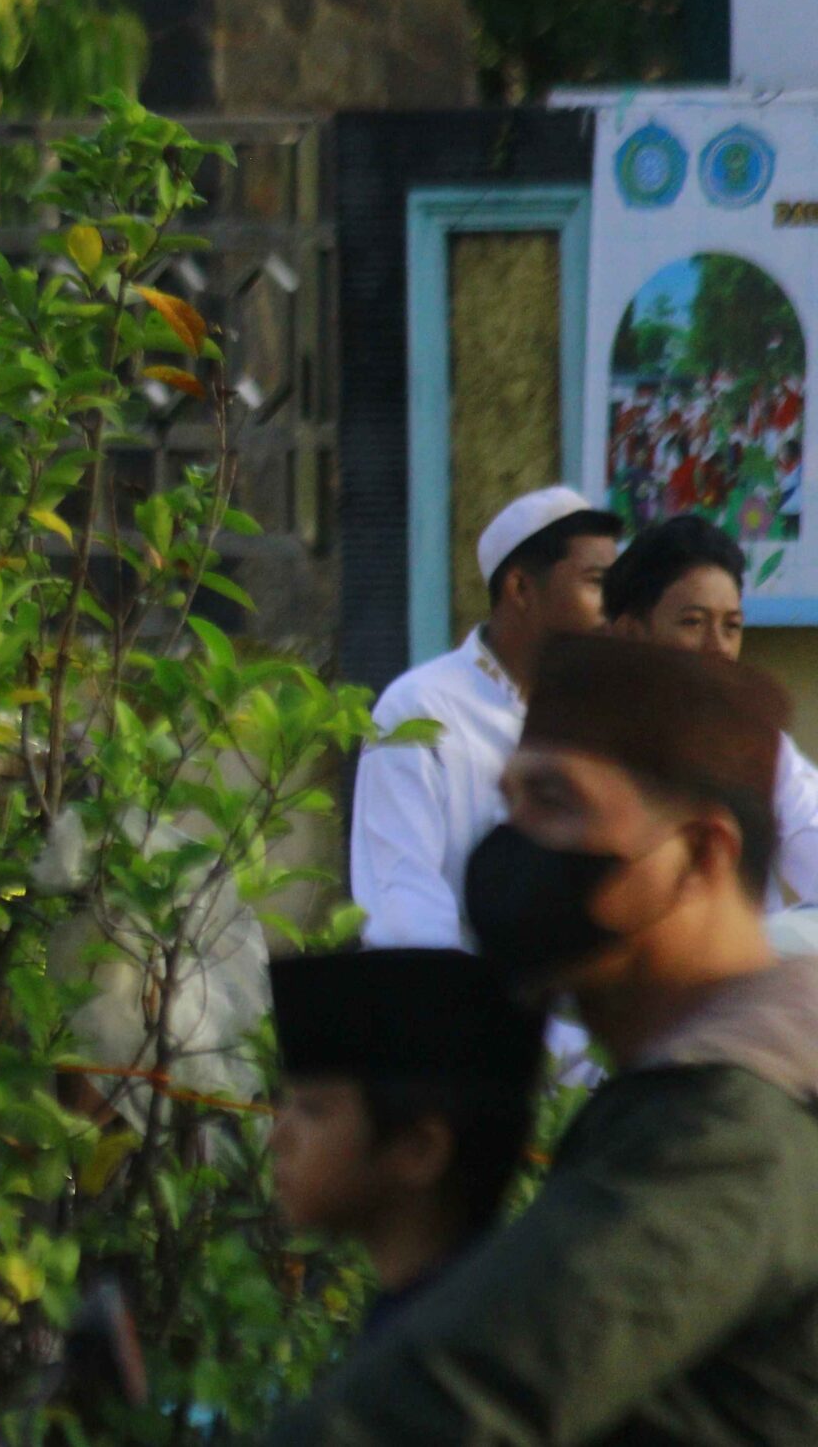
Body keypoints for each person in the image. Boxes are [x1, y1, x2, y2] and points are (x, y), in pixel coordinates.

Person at [271, 635, 818, 1443]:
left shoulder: (727, 1123)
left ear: (701, 853)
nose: (512, 845)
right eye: (511, 801)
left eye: (555, 802)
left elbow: (465, 1392)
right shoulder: (688, 1090)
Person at [349, 486, 622, 950]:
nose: (612, 610)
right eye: (596, 583)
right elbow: (405, 908)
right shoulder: (419, 709)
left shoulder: (605, 712)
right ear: (520, 588)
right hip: (462, 1002)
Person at [265, 950, 545, 1342]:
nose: (275, 1138)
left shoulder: (442, 1359)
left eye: (313, 1110)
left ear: (419, 1150)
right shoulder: (457, 1317)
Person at [603, 511, 818, 905]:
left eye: (731, 626)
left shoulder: (761, 748)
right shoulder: (587, 750)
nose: (718, 646)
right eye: (693, 622)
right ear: (631, 634)